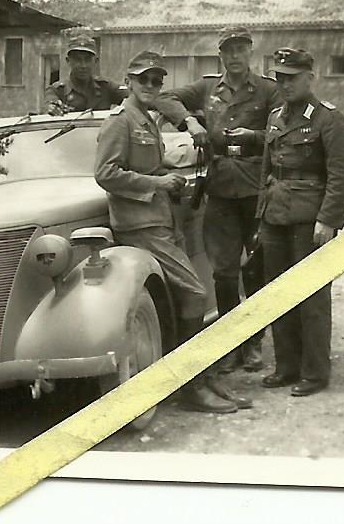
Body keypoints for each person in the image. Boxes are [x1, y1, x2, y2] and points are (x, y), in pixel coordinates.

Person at [95, 50, 251, 414]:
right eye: (143, 79)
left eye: (157, 80)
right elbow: (106, 174)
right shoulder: (121, 121)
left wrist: (172, 171)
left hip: (160, 220)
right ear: (129, 83)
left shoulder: (146, 118)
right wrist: (158, 183)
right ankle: (190, 386)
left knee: (187, 296)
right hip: (140, 225)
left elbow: (145, 161)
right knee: (195, 294)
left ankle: (197, 374)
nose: (151, 86)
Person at [155, 26, 281, 374]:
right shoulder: (208, 88)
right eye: (229, 50)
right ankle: (230, 342)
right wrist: (190, 124)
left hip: (257, 189)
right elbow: (164, 98)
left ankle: (254, 342)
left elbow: (284, 127)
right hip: (221, 189)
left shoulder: (268, 89)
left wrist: (254, 136)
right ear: (220, 54)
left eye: (241, 49)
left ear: (251, 52)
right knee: (223, 272)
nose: (235, 56)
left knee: (255, 268)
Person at [257, 48, 344, 397]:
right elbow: (267, 171)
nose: (284, 84)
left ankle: (315, 373)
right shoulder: (274, 117)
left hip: (309, 222)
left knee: (312, 298)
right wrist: (260, 217)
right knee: (279, 294)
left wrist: (328, 220)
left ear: (309, 78)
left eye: (291, 78)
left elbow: (343, 175)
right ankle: (286, 367)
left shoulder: (328, 119)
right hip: (275, 217)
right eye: (279, 78)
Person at [44, 28, 126, 115]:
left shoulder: (106, 87)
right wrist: (51, 108)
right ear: (68, 61)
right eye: (77, 60)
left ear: (96, 61)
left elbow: (132, 96)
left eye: (87, 60)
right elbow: (48, 105)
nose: (83, 65)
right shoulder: (57, 91)